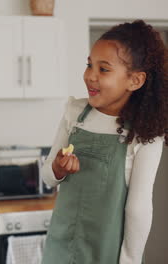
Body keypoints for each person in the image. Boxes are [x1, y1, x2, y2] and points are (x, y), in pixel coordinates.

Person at [42, 20, 167, 264]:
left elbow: (138, 209)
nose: (90, 76)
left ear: (135, 81)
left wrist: (130, 260)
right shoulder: (74, 113)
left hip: (106, 253)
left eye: (104, 69)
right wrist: (57, 168)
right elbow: (47, 176)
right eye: (89, 65)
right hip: (60, 245)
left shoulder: (145, 134)